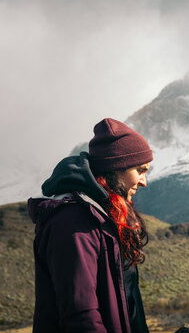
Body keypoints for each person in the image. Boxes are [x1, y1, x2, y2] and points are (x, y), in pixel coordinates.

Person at [28, 118, 152, 333]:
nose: (144, 181)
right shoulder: (73, 221)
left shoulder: (106, 214)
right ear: (116, 167)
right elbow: (81, 315)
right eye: (140, 170)